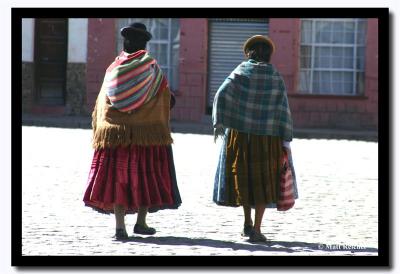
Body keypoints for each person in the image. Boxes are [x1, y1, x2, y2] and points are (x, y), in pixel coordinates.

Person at [83, 22, 181, 240]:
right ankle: (141, 222)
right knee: (145, 178)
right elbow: (166, 97)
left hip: (116, 137)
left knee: (119, 179)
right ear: (144, 45)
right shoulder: (152, 68)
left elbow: (102, 101)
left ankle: (120, 227)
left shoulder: (113, 68)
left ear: (125, 43)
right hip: (145, 138)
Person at [212, 35, 298, 243]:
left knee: (244, 179)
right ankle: (257, 229)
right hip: (267, 140)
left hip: (240, 138)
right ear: (269, 55)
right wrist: (285, 137)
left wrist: (223, 121)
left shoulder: (240, 72)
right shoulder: (274, 76)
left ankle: (247, 222)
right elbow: (282, 108)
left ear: (248, 53)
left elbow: (221, 95)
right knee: (263, 182)